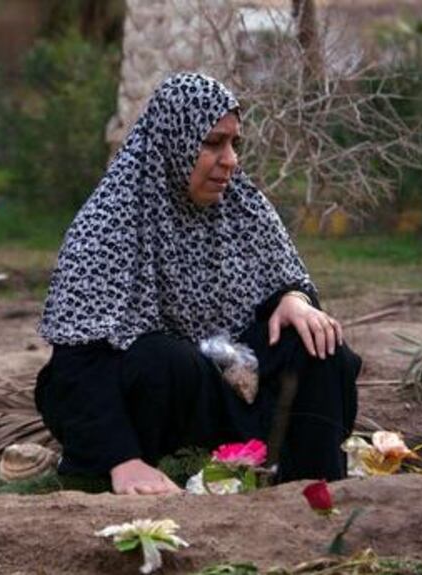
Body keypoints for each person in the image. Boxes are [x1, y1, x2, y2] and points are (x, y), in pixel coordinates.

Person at [35, 72, 361, 495]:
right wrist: (123, 460)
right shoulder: (109, 223)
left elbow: (284, 280)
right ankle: (137, 470)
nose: (230, 160)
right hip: (154, 400)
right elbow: (77, 365)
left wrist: (295, 298)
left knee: (317, 340)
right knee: (161, 357)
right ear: (174, 140)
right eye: (212, 143)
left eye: (233, 143)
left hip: (231, 381)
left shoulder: (240, 203)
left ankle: (310, 487)